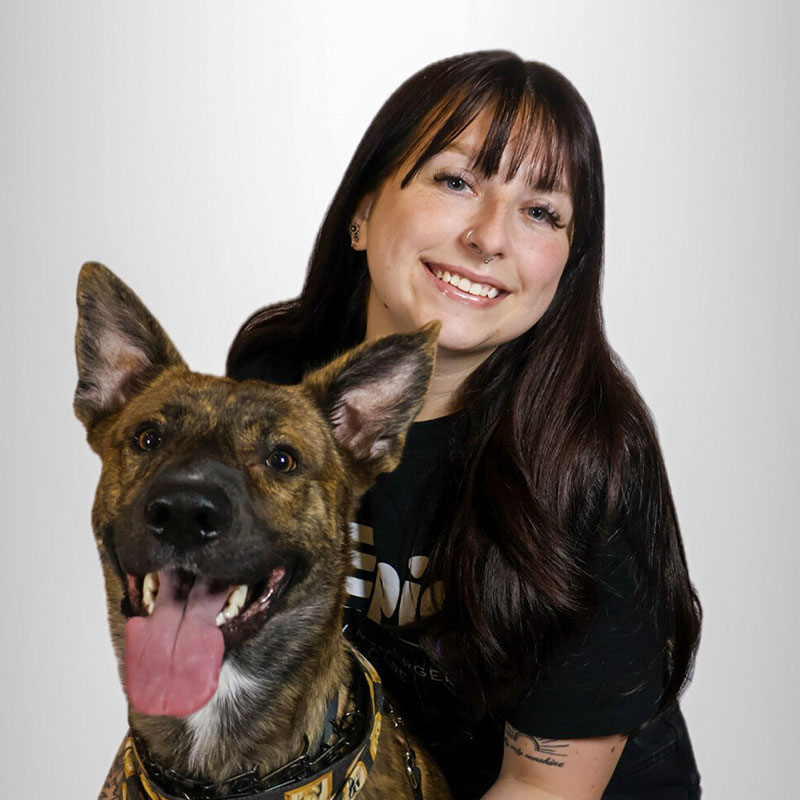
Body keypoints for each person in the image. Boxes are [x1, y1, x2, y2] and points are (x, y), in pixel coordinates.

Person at [227, 51, 702, 800]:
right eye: (456, 181)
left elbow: (541, 791)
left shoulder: (591, 463)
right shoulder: (275, 379)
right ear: (361, 210)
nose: (489, 237)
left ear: (566, 267)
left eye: (541, 212)